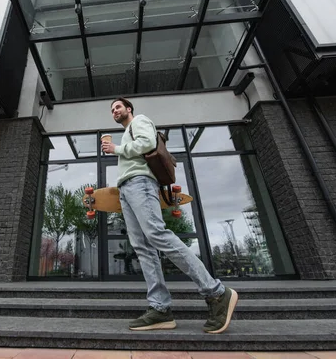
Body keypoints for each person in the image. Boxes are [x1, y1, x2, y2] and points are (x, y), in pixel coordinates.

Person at [101, 97, 238, 334]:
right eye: (112, 109)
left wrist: (117, 149)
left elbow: (146, 143)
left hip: (140, 183)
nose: (115, 111)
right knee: (143, 247)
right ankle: (160, 308)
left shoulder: (140, 121)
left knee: (157, 234)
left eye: (118, 107)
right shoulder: (126, 133)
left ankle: (217, 293)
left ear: (129, 109)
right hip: (127, 189)